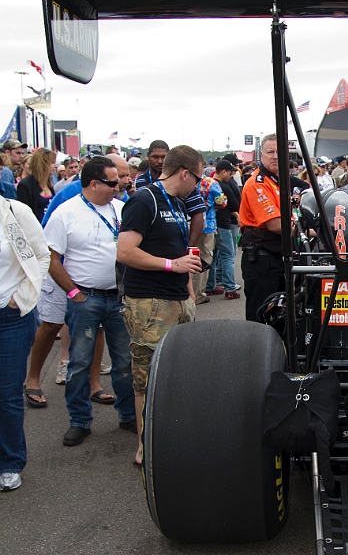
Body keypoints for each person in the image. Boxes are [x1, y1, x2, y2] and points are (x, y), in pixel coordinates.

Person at [117, 145, 203, 465]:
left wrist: (187, 288)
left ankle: (171, 435)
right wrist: (172, 266)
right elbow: (125, 252)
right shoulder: (144, 200)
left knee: (176, 374)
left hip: (177, 300)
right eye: (197, 177)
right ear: (184, 173)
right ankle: (145, 445)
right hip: (149, 304)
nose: (198, 184)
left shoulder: (178, 203)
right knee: (148, 377)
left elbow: (179, 251)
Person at [43, 156, 135, 446]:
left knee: (124, 362)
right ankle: (79, 420)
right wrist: (74, 294)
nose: (117, 186)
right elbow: (51, 257)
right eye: (111, 182)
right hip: (86, 298)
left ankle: (128, 415)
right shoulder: (65, 213)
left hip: (118, 298)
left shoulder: (122, 209)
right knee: (79, 363)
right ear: (93, 183)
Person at [0, 193, 50, 490]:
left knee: (6, 395)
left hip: (9, 317)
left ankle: (9, 462)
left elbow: (42, 255)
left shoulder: (15, 212)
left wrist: (21, 299)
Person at [239, 134, 288, 321]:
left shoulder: (277, 182)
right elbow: (275, 224)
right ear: (261, 155)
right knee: (260, 316)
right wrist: (300, 229)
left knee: (280, 314)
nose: (275, 156)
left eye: (279, 152)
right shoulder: (257, 184)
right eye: (270, 152)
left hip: (278, 257)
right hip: (261, 260)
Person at [135, 140, 206, 247]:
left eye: (163, 157)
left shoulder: (181, 196)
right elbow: (126, 252)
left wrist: (188, 249)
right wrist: (170, 264)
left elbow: (197, 213)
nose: (160, 161)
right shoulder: (140, 194)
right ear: (148, 156)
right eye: (155, 157)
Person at [192, 168, 229, 304]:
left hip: (189, 224)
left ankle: (192, 292)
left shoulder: (188, 181)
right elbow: (222, 201)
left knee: (191, 256)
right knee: (204, 259)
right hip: (207, 224)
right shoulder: (210, 183)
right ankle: (198, 294)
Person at [206, 160, 241, 299]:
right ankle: (230, 288)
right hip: (223, 224)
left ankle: (209, 286)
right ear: (224, 171)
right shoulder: (224, 186)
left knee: (212, 257)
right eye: (230, 172)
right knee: (227, 255)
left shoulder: (208, 184)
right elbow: (234, 204)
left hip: (210, 224)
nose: (231, 175)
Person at [16, 149, 57, 222]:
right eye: (52, 163)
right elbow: (24, 214)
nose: (56, 166)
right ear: (43, 164)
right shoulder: (25, 185)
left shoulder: (48, 183)